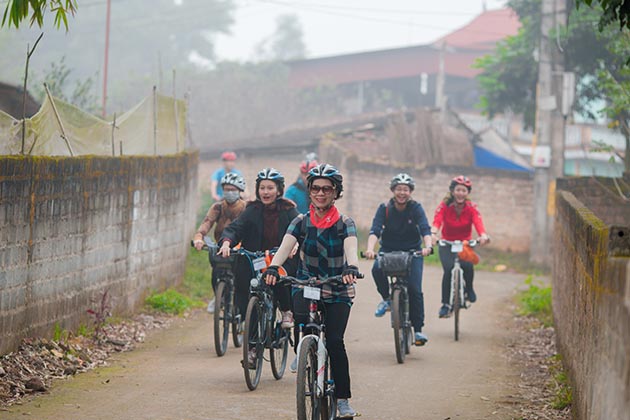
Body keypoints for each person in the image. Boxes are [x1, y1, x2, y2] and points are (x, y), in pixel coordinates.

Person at [264, 163, 361, 419]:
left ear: (335, 192)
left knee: (335, 342)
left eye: (327, 189)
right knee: (302, 320)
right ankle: (305, 349)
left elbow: (351, 246)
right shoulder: (301, 221)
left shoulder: (344, 222)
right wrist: (274, 267)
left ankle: (342, 399)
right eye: (316, 188)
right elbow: (287, 245)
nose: (321, 193)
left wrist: (352, 266)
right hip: (308, 284)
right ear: (310, 191)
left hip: (338, 286)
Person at [217, 167, 298, 336]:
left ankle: (286, 311)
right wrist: (226, 243)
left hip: (280, 258)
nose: (266, 192)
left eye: (270, 188)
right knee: (250, 294)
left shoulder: (288, 210)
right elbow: (235, 229)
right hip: (256, 258)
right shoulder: (252, 210)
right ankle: (252, 346)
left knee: (279, 278)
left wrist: (296, 244)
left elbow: (301, 230)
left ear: (279, 190)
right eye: (262, 188)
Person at [364, 173, 433, 346]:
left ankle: (417, 330)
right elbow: (375, 230)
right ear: (393, 190)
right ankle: (387, 298)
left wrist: (428, 247)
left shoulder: (416, 208)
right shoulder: (384, 208)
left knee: (415, 289)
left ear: (410, 192)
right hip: (389, 250)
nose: (402, 193)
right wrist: (370, 249)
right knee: (376, 269)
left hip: (413, 252)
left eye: (406, 189)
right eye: (399, 189)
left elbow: (425, 228)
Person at [431, 175, 490, 318]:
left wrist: (483, 235)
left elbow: (478, 222)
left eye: (464, 190)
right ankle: (445, 304)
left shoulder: (471, 208)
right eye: (458, 190)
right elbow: (437, 221)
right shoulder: (444, 206)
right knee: (448, 270)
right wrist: (433, 233)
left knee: (468, 266)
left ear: (467, 193)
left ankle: (469, 289)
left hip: (465, 243)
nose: (460, 193)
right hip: (447, 243)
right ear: (452, 191)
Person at [192, 173, 247, 313]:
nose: (229, 192)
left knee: (242, 280)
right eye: (226, 189)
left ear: (239, 190)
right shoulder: (217, 207)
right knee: (216, 273)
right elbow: (206, 223)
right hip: (220, 248)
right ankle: (218, 296)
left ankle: (242, 311)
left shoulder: (246, 208)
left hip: (241, 249)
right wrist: (199, 237)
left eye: (233, 189)